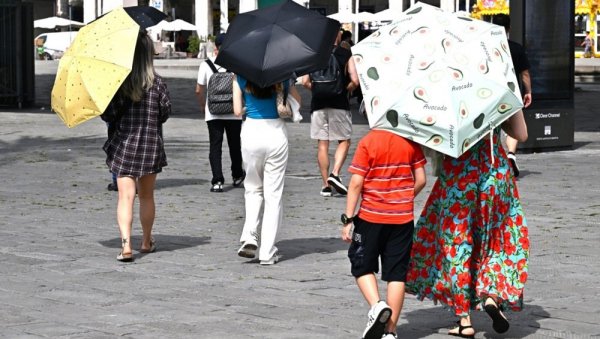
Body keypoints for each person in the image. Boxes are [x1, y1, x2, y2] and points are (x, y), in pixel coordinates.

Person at [406, 110, 529, 338]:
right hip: (495, 172)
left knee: (457, 242)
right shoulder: (495, 89)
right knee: (497, 239)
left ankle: (464, 320)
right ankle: (492, 294)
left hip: (459, 173)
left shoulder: (446, 99)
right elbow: (521, 134)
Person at [341, 129, 427, 339]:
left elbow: (355, 183)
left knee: (361, 263)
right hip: (402, 219)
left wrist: (348, 218)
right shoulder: (410, 141)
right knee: (397, 273)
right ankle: (390, 331)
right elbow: (422, 179)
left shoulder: (368, 141)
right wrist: (405, 198)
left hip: (371, 217)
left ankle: (377, 305)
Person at [101, 31, 171, 262]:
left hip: (124, 145)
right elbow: (164, 113)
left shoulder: (120, 83)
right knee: (147, 196)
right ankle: (146, 240)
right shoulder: (158, 83)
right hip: (150, 144)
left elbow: (108, 115)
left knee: (125, 197)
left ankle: (126, 245)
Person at [233, 74, 300, 265]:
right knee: (274, 195)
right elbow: (298, 102)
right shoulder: (283, 75)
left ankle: (250, 236)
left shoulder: (240, 76)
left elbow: (237, 111)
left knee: (253, 188)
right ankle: (267, 252)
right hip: (275, 133)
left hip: (251, 132)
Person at [301, 30, 359, 197]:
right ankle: (335, 173)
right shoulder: (345, 53)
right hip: (339, 103)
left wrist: (318, 90)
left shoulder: (313, 55)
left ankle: (326, 185)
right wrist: (343, 91)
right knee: (344, 141)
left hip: (318, 104)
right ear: (338, 37)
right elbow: (355, 80)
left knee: (322, 144)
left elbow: (305, 82)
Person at [196, 33, 245, 193]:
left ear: (215, 47)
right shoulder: (236, 64)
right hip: (233, 111)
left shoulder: (206, 64)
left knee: (215, 147)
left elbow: (199, 90)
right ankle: (237, 175)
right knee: (235, 145)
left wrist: (204, 106)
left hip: (213, 112)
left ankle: (217, 181)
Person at [495, 14, 532, 177]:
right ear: (509, 28)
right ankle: (511, 153)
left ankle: (493, 157)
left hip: (491, 94)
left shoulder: (486, 47)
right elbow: (525, 74)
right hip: (511, 92)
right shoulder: (516, 48)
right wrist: (528, 92)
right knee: (514, 125)